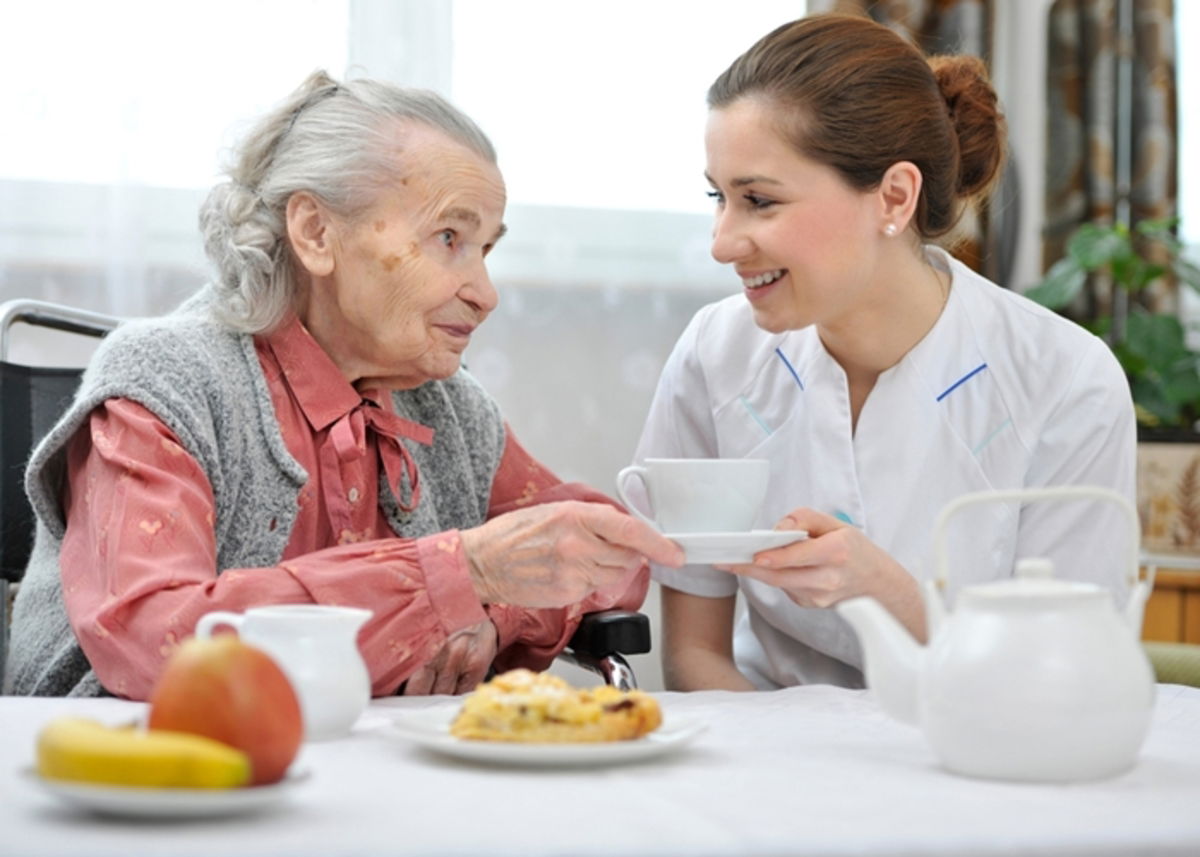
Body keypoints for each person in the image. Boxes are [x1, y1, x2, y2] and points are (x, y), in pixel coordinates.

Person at [6, 70, 683, 699]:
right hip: (138, 775)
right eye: (449, 237)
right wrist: (458, 574)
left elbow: (612, 553)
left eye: (487, 249)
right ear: (315, 232)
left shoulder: (446, 405)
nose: (484, 293)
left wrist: (493, 607)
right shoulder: (167, 381)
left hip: (362, 782)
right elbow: (157, 636)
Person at [633, 15, 1137, 691]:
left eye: (758, 200)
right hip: (763, 754)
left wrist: (885, 590)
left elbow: (1066, 674)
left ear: (894, 196)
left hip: (980, 756)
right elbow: (697, 658)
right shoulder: (715, 353)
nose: (723, 241)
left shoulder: (1067, 382)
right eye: (717, 198)